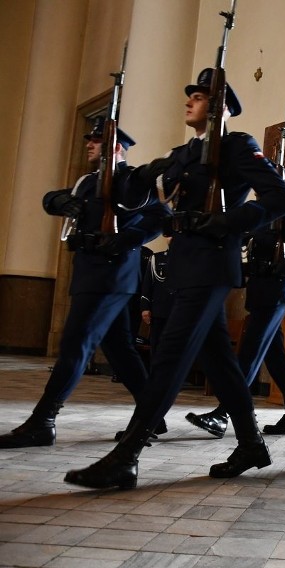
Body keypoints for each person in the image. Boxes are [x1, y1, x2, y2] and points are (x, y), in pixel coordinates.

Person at [64, 68, 285, 490]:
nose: (189, 99)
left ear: (221, 107)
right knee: (220, 364)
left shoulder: (238, 147)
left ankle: (127, 455)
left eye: (200, 95)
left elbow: (282, 199)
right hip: (185, 264)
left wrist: (226, 221)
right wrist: (117, 175)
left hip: (212, 264)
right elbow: (136, 190)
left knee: (170, 355)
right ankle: (250, 443)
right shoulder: (180, 155)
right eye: (189, 94)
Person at [0, 119, 165, 449]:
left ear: (117, 148)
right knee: (120, 350)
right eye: (90, 139)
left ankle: (42, 421)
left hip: (110, 275)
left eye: (98, 141)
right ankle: (153, 417)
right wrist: (61, 201)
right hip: (91, 273)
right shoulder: (87, 182)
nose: (89, 144)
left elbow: (160, 217)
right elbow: (52, 198)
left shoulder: (129, 182)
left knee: (76, 344)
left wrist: (124, 241)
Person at [184, 206, 285, 438]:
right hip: (259, 291)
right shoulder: (257, 212)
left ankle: (223, 414)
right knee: (274, 355)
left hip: (276, 291)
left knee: (250, 351)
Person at [139, 238, 173, 358]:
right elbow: (147, 285)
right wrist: (145, 307)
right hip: (159, 311)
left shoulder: (188, 260)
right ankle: (156, 375)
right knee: (157, 348)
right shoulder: (156, 258)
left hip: (179, 311)